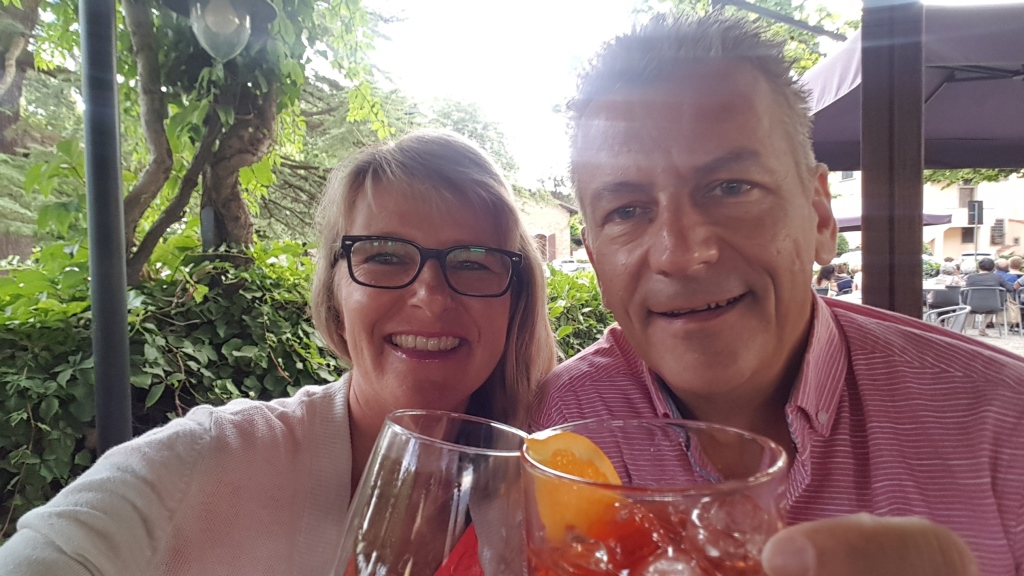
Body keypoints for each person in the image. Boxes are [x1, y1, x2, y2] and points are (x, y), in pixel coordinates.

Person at [531, 13, 1022, 576]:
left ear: (820, 216)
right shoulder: (565, 421)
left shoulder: (1005, 428)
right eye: (626, 211)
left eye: (731, 188)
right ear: (596, 261)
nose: (681, 254)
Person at [0, 130, 558, 574]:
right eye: (385, 256)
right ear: (335, 292)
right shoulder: (210, 457)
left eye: (472, 262)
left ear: (517, 300)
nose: (430, 298)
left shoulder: (547, 496)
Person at [965, 257, 1016, 336]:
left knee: (967, 303)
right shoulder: (997, 277)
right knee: (993, 305)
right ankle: (983, 327)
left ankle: (965, 328)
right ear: (993, 267)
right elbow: (1010, 289)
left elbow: (965, 289)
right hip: (993, 305)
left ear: (978, 267)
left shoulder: (971, 277)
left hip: (971, 304)